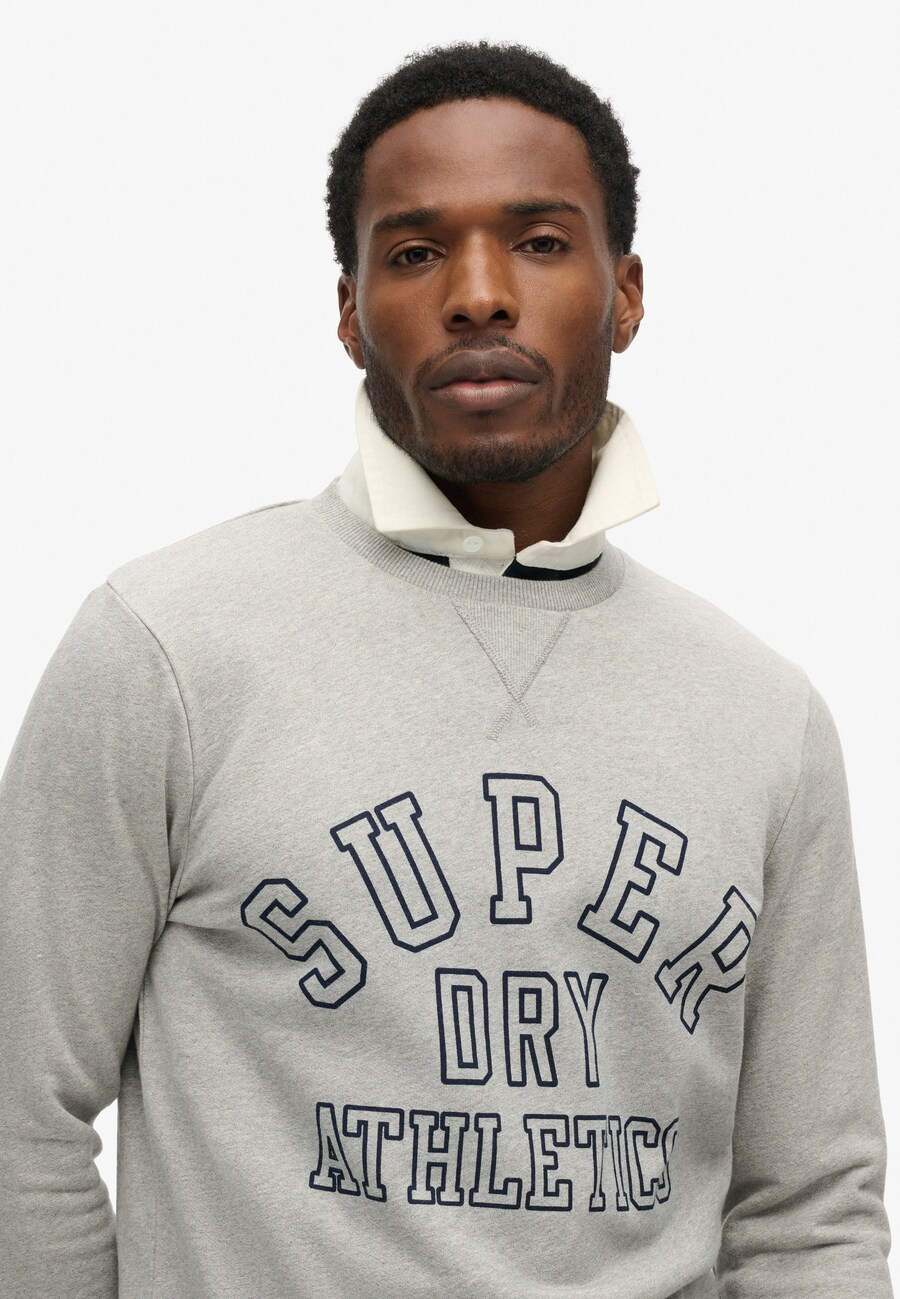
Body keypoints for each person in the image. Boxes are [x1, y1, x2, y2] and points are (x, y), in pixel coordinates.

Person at [0, 38, 892, 1299]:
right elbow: (18, 1119)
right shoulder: (167, 649)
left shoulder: (764, 714)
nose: (478, 294)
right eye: (416, 253)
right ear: (350, 310)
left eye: (541, 240)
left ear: (626, 293)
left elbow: (811, 1211)